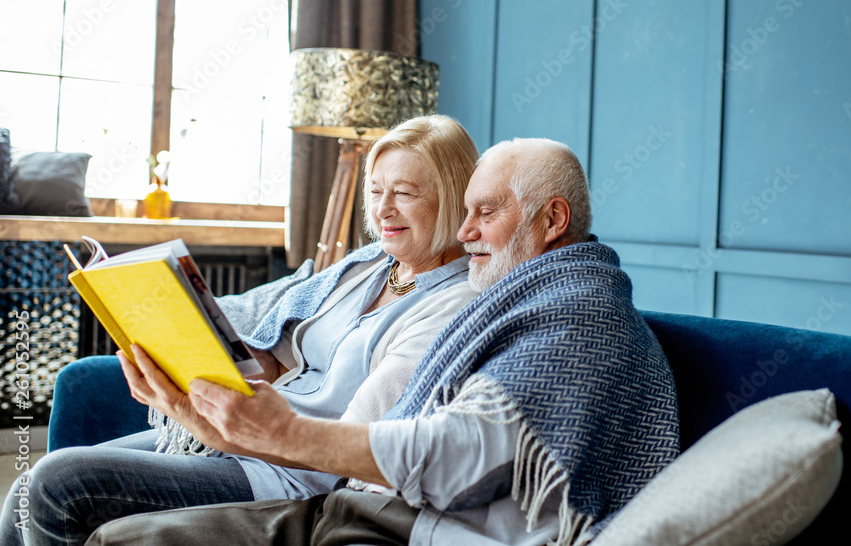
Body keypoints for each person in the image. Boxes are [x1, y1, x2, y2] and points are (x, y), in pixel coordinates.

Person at [86, 137, 682, 546]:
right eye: (467, 212)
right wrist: (204, 412)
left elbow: (467, 453)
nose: (466, 232)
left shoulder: (578, 318)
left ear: (552, 221)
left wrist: (281, 431)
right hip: (361, 508)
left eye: (486, 213)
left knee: (96, 517)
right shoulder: (528, 296)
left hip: (399, 527)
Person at [0, 114, 481, 546]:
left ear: (455, 198)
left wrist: (199, 414)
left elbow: (351, 445)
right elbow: (283, 354)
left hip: (290, 471)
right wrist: (198, 345)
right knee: (24, 492)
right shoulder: (369, 266)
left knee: (57, 486)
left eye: (404, 193)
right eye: (376, 192)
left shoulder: (452, 303)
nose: (383, 210)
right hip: (245, 437)